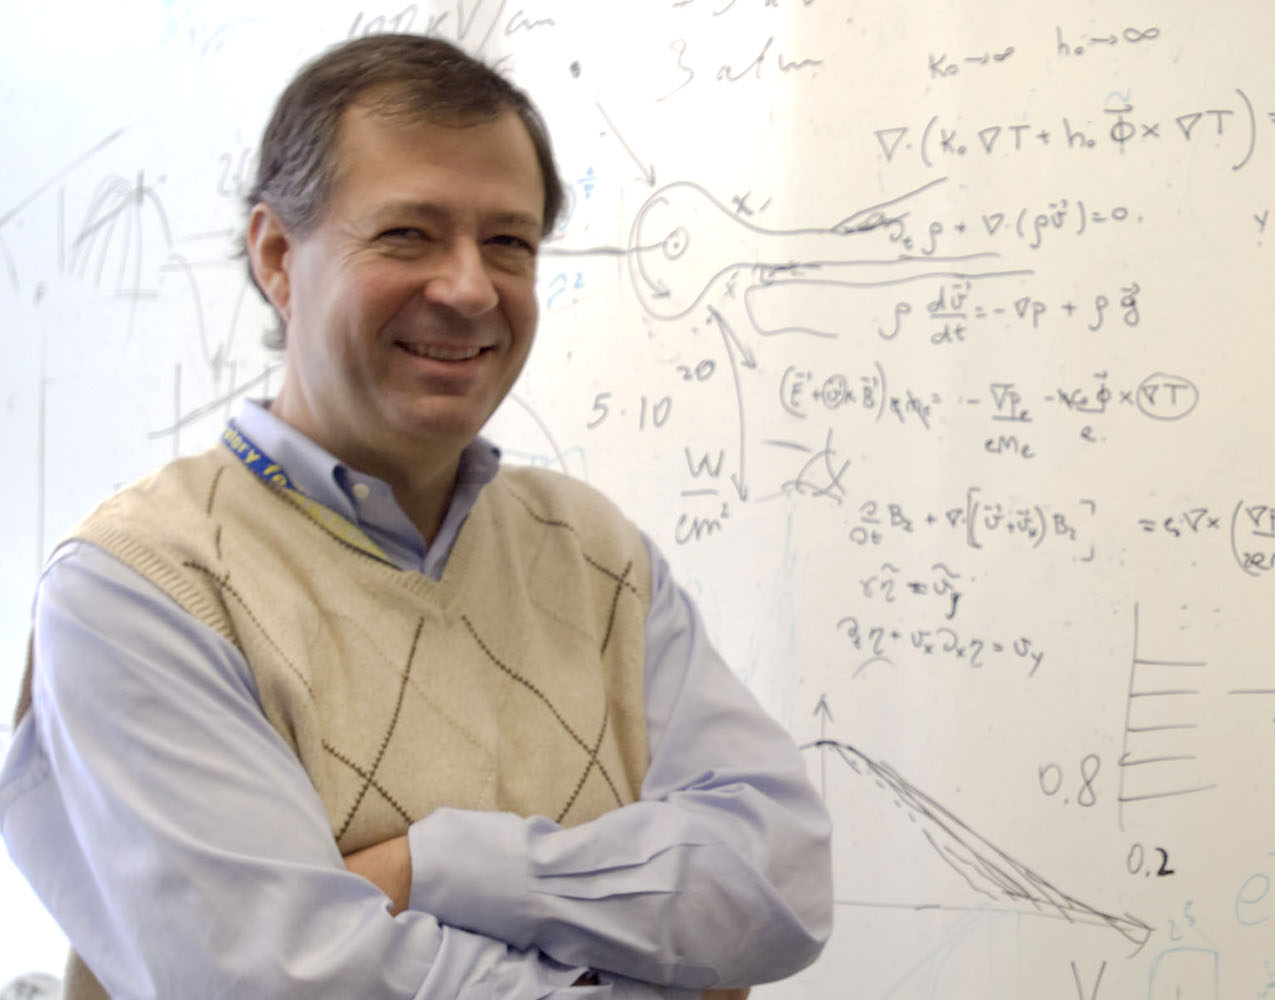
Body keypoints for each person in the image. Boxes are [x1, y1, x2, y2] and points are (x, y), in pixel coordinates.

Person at [0, 33, 831, 1000]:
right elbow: (282, 984)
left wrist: (437, 868)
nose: (470, 288)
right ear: (277, 256)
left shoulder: (596, 555)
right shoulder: (141, 584)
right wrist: (661, 962)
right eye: (408, 233)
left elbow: (779, 886)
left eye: (508, 242)